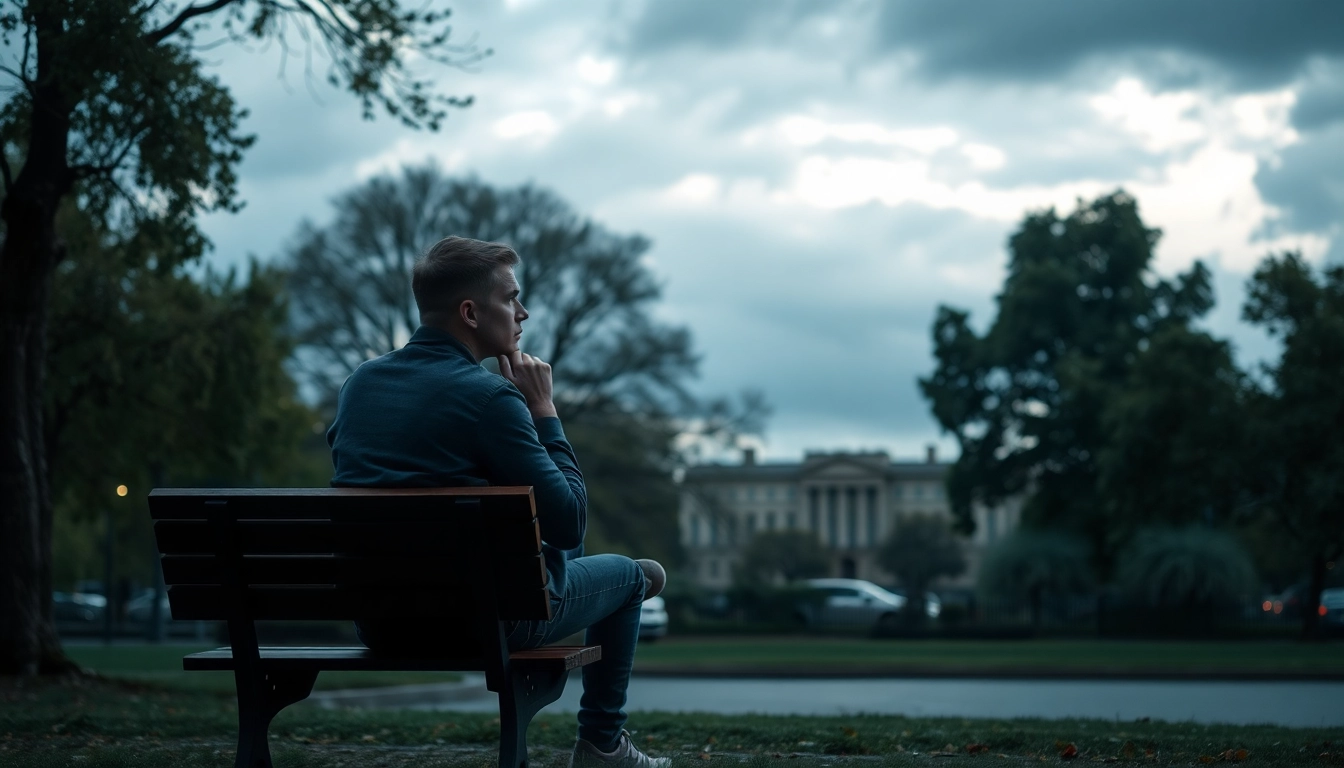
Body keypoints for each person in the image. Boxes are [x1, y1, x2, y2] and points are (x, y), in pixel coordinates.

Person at [327, 235, 669, 768]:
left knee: (550, 556)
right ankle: (602, 744)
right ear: (470, 311)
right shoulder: (490, 397)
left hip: (382, 622)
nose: (523, 311)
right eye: (511, 298)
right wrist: (545, 412)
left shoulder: (359, 385)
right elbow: (570, 523)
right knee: (635, 575)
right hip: (481, 621)